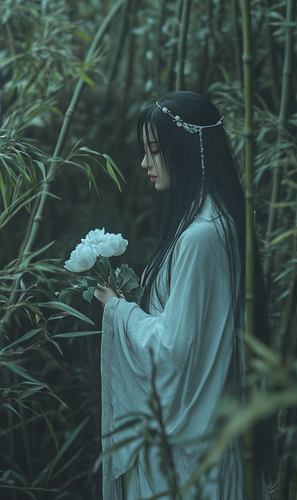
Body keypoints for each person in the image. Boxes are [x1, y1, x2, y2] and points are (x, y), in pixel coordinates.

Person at [95, 91, 275, 500]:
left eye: (155, 151)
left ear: (188, 151)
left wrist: (116, 310)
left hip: (187, 456)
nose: (145, 163)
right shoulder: (214, 220)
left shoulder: (202, 235)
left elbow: (175, 351)